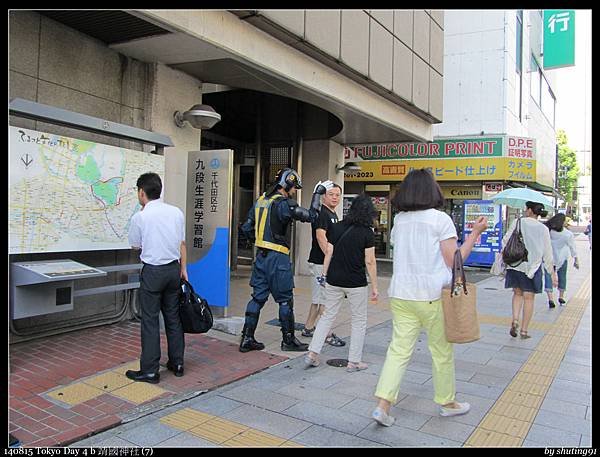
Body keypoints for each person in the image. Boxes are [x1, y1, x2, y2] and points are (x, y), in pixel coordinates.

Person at [371, 169, 488, 427]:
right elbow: (454, 260)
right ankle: (447, 403)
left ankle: (383, 405)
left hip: (401, 293)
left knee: (398, 350)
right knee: (441, 351)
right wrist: (475, 233)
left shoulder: (400, 220)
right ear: (431, 190)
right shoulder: (440, 220)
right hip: (432, 295)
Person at [239, 168, 334, 352]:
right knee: (285, 300)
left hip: (261, 257)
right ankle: (288, 340)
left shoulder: (260, 202)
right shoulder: (284, 204)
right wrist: (317, 193)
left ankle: (247, 337)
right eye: (294, 188)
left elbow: (246, 228)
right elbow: (312, 216)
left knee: (257, 299)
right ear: (288, 184)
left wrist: (259, 242)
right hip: (278, 258)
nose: (294, 191)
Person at [304, 194, 379, 372]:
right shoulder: (367, 232)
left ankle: (312, 354)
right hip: (356, 282)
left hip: (333, 279)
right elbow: (370, 261)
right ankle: (354, 362)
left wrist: (323, 274)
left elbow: (329, 252)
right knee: (359, 320)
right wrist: (375, 286)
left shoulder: (336, 227)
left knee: (327, 316)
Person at [126, 172, 187, 384]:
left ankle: (150, 370)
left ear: (142, 192)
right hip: (173, 270)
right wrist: (183, 269)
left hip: (153, 272)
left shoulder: (140, 217)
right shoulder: (176, 212)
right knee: (173, 316)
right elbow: (182, 243)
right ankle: (177, 362)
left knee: (150, 320)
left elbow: (135, 245)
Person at [504, 201, 557, 340]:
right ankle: (524, 330)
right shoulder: (543, 229)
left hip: (516, 264)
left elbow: (506, 240)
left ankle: (515, 320)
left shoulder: (518, 222)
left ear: (529, 210)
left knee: (517, 293)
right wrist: (552, 272)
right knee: (529, 298)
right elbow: (547, 252)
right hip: (533, 267)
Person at [302, 183, 346, 348]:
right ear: (324, 196)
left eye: (337, 195)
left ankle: (308, 328)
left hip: (323, 262)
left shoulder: (332, 213)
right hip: (320, 263)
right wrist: (331, 258)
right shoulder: (323, 214)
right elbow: (321, 238)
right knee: (325, 302)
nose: (335, 197)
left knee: (318, 299)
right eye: (331, 194)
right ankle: (327, 335)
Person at [543, 213, 579, 308]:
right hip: (562, 258)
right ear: (562, 222)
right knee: (562, 276)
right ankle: (561, 296)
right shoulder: (568, 234)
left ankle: (550, 298)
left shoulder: (549, 231)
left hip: (549, 257)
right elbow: (572, 247)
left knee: (548, 276)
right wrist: (576, 259)